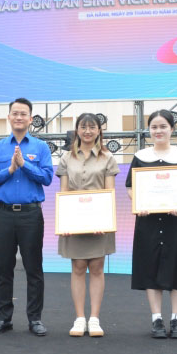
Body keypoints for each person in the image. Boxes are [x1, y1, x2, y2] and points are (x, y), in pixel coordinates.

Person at [125, 109, 177, 339]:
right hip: (148, 221)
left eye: (163, 126)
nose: (158, 131)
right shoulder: (140, 156)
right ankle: (156, 318)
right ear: (149, 130)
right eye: (154, 127)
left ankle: (176, 319)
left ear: (172, 129)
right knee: (151, 267)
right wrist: (140, 202)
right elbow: (130, 187)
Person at [0, 98, 53, 336]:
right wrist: (10, 169)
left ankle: (35, 319)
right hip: (3, 214)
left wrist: (24, 165)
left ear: (30, 119)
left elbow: (47, 178)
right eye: (15, 113)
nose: (19, 117)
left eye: (24, 114)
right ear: (9, 117)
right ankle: (4, 318)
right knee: (4, 268)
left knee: (34, 268)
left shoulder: (41, 147)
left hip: (31, 214)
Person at [56, 113, 119, 337]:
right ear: (77, 130)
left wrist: (105, 220)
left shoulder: (107, 157)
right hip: (74, 221)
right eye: (84, 127)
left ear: (99, 131)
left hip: (99, 222)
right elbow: (64, 192)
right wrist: (64, 221)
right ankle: (79, 318)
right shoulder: (66, 158)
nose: (88, 131)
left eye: (92, 127)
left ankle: (94, 319)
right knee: (78, 267)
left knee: (97, 267)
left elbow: (109, 192)